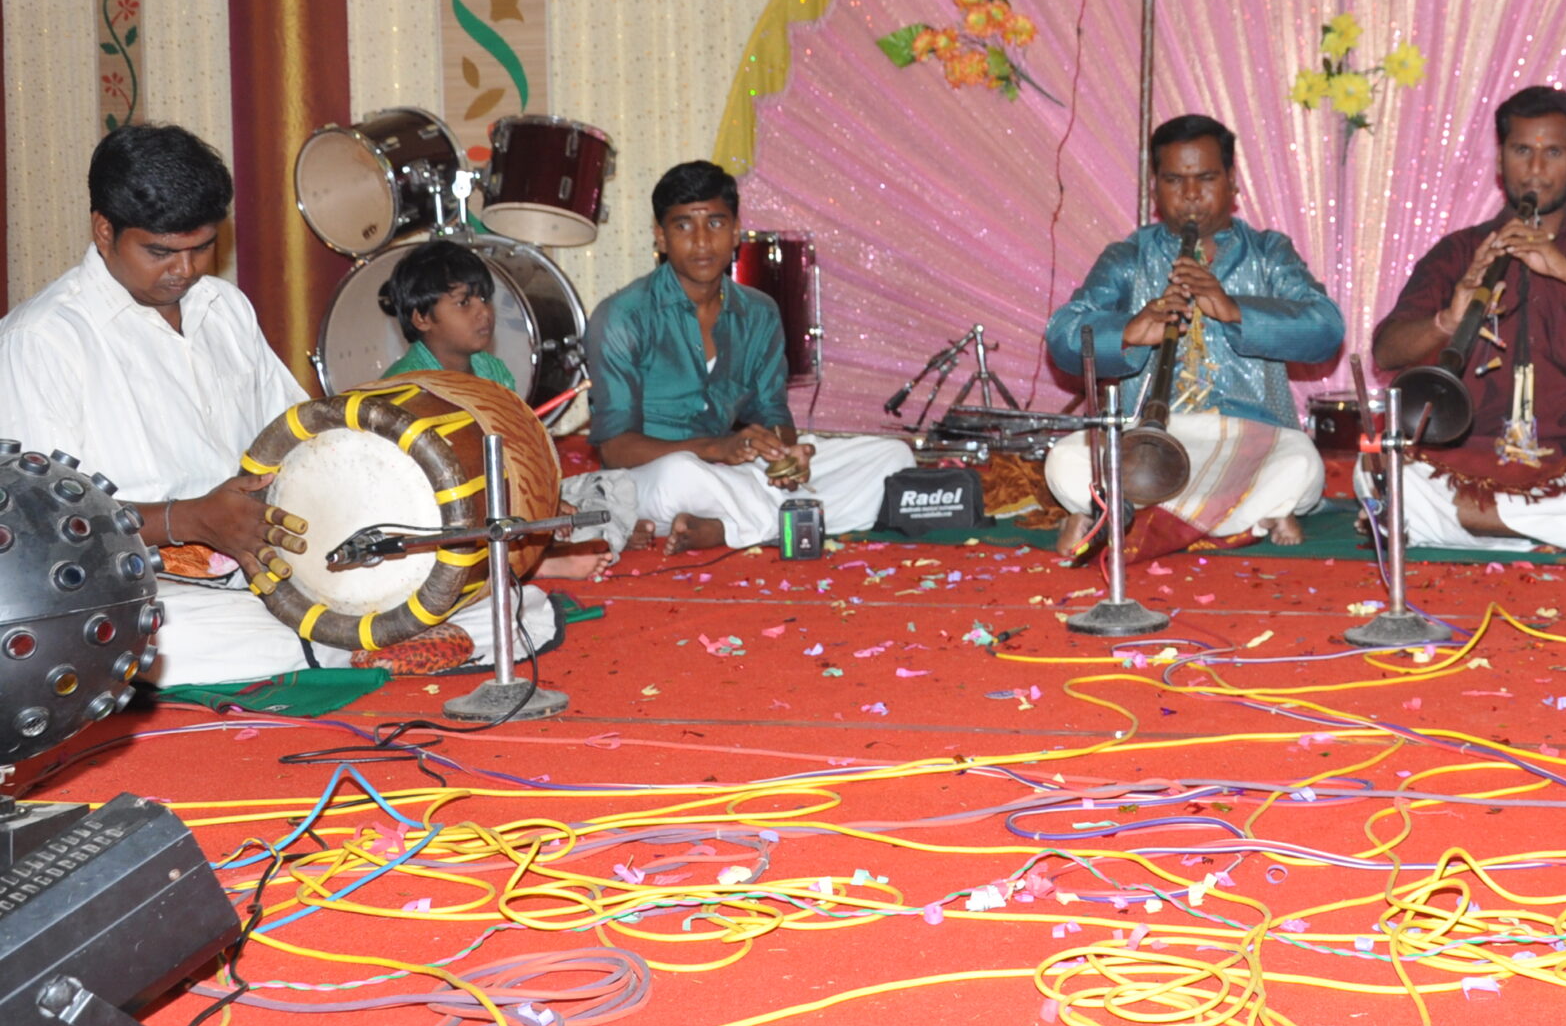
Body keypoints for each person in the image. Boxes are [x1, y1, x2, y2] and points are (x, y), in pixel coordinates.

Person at [0, 124, 555, 683]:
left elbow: (298, 435)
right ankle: (353, 644)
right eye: (161, 252)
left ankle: (350, 642)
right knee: (169, 638)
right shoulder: (41, 340)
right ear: (104, 230)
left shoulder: (224, 307)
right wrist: (188, 519)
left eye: (201, 247)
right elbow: (38, 525)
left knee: (506, 597)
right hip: (150, 579)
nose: (185, 270)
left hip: (269, 557)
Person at [1371, 86, 1566, 555]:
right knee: (1375, 464)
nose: (1536, 169)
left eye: (1553, 153)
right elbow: (1386, 352)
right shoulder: (1459, 251)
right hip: (1463, 469)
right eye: (1522, 151)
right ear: (1501, 161)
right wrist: (1448, 319)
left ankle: (1484, 527)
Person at [1043, 115, 1343, 549]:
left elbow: (1327, 329)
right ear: (1155, 189)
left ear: (1232, 183)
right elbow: (1063, 336)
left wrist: (1235, 310)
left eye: (1205, 178)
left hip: (1248, 438)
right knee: (1065, 459)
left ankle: (1114, 513)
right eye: (1174, 180)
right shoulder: (1129, 257)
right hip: (1144, 441)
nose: (1189, 194)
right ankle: (1252, 518)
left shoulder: (1268, 253)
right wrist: (1129, 331)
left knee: (1301, 463)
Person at [587, 161, 911, 551]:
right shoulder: (622, 317)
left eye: (716, 223)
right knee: (682, 476)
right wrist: (715, 449)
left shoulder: (760, 312)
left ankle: (728, 525)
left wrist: (784, 453)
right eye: (684, 225)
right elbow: (614, 450)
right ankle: (769, 519)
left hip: (731, 469)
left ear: (736, 230)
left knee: (892, 458)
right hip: (653, 475)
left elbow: (772, 413)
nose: (702, 241)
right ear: (660, 236)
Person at [381, 238, 514, 387]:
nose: (484, 312)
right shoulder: (403, 388)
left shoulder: (494, 371)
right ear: (422, 319)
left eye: (485, 298)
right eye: (463, 302)